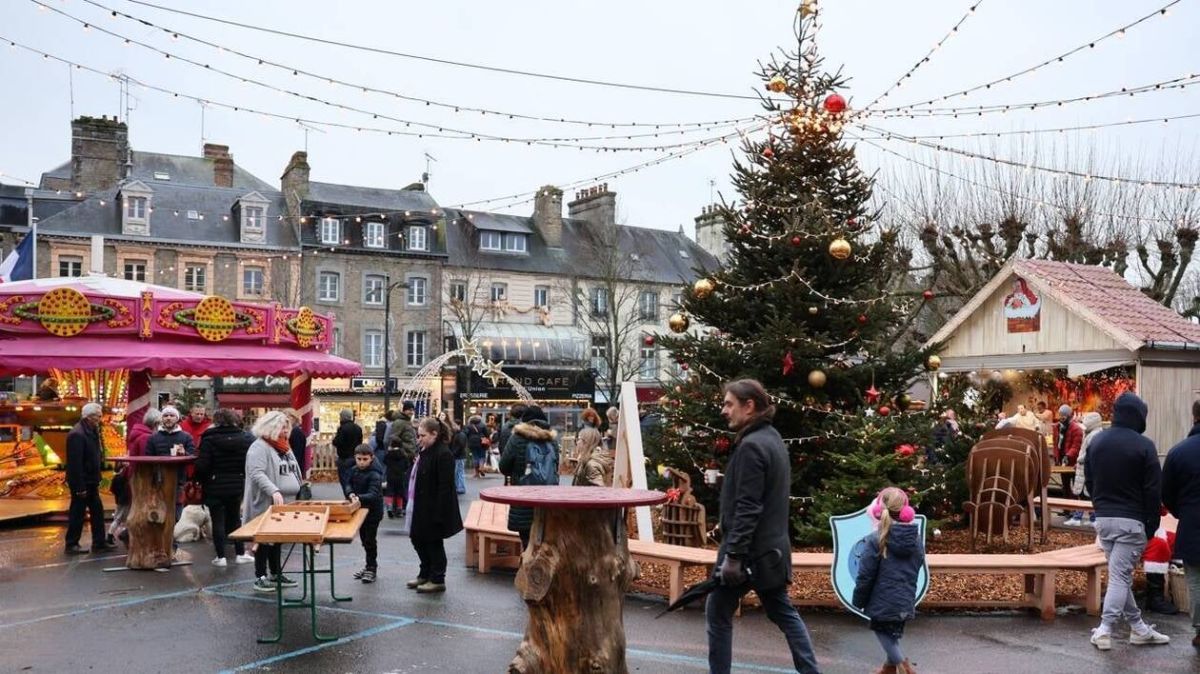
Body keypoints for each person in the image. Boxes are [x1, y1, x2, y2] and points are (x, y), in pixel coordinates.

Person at [706, 379, 821, 674]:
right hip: (771, 552)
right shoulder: (772, 439)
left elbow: (749, 507)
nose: (723, 410)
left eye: (728, 404)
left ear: (749, 406)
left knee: (718, 614)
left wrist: (733, 556)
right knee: (783, 612)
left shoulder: (752, 447)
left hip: (748, 554)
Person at [1083, 391, 1170, 650]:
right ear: (1139, 416)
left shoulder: (1097, 442)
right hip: (1132, 521)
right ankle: (1105, 629)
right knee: (1121, 577)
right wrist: (1151, 525)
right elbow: (1154, 490)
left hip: (1104, 519)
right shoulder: (1144, 445)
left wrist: (1099, 505)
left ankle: (1139, 628)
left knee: (1119, 575)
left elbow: (1089, 480)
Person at [853, 486, 924, 674]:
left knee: (881, 630)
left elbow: (865, 575)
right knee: (893, 632)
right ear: (906, 511)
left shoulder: (875, 539)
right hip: (905, 597)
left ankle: (904, 667)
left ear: (878, 511)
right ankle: (889, 668)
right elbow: (917, 565)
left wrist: (859, 599)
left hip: (882, 598)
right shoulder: (916, 540)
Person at [243, 410, 303, 593]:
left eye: (287, 427)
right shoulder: (259, 446)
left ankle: (276, 574)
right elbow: (256, 473)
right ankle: (260, 576)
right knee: (263, 539)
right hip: (265, 502)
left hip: (285, 504)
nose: (286, 431)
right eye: (282, 427)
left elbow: (293, 469)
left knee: (277, 539)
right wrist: (274, 490)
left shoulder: (284, 446)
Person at [406, 416, 463, 593]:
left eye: (422, 435)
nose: (419, 439)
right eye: (418, 435)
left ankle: (437, 578)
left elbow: (445, 487)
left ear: (434, 434)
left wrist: (439, 513)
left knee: (433, 543)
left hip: (433, 507)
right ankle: (425, 573)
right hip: (420, 505)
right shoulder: (426, 451)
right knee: (417, 539)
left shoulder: (443, 454)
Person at [194, 408, 255, 567]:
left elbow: (202, 466)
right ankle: (240, 553)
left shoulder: (209, 439)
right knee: (235, 519)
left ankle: (220, 557)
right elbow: (249, 463)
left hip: (214, 484)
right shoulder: (245, 438)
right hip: (237, 483)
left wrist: (199, 479)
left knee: (218, 520)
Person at [1161, 399, 1200, 640]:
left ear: (1194, 417)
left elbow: (1167, 494)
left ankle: (1199, 629)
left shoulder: (1178, 451)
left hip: (1193, 524)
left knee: (1195, 581)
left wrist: (1182, 512)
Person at [499, 405, 560, 549]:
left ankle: (527, 567)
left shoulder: (518, 438)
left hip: (523, 498)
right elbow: (556, 468)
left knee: (526, 542)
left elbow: (504, 467)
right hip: (548, 500)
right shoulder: (552, 440)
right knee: (545, 542)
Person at [64, 403, 115, 555]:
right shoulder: (77, 434)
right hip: (82, 481)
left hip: (91, 480)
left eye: (99, 416)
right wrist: (80, 487)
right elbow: (75, 463)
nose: (99, 419)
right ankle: (71, 543)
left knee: (97, 511)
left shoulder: (91, 431)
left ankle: (99, 542)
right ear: (88, 417)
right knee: (78, 513)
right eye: (97, 416)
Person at [347, 444, 384, 584]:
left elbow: (373, 494)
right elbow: (348, 483)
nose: (361, 462)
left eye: (365, 459)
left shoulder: (375, 474)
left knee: (369, 540)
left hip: (372, 512)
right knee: (364, 539)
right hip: (360, 511)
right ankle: (368, 565)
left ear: (371, 458)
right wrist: (350, 493)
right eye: (359, 459)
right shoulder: (354, 470)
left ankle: (371, 567)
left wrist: (358, 497)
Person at [1065, 411, 1103, 527]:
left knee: (1085, 494)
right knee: (1085, 494)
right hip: (1085, 467)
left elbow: (1088, 452)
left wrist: (1080, 460)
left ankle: (1080, 518)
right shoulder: (1092, 433)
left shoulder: (1093, 435)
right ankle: (1091, 518)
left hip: (1086, 467)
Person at [384, 402, 417, 518]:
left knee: (403, 484)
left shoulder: (407, 422)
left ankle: (399, 507)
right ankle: (397, 507)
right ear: (404, 410)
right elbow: (393, 437)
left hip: (408, 456)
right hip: (403, 457)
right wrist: (402, 450)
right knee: (401, 484)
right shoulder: (399, 422)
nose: (411, 412)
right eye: (409, 409)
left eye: (412, 409)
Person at [571, 417, 613, 487]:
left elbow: (600, 492)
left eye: (578, 439)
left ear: (586, 442)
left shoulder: (592, 465)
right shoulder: (586, 460)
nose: (577, 442)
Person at [1054, 404, 1084, 498]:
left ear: (1069, 416)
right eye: (1060, 415)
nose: (1061, 418)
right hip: (1062, 460)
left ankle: (1075, 508)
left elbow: (1076, 446)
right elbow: (1056, 444)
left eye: (1064, 416)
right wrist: (1057, 457)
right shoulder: (1057, 427)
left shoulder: (1077, 429)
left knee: (1076, 487)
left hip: (1073, 462)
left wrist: (1068, 456)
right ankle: (1067, 510)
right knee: (1065, 486)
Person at [332, 409, 363, 497]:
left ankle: (348, 496)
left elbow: (337, 442)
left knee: (345, 480)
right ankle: (355, 496)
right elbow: (360, 442)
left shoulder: (342, 428)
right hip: (355, 457)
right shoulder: (358, 428)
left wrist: (334, 439)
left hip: (344, 458)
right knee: (354, 479)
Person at [441, 411, 467, 495]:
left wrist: (453, 453)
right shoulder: (458, 434)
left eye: (455, 425)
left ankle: (460, 487)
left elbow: (460, 446)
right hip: (458, 456)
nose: (453, 427)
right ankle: (459, 487)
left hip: (458, 456)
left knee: (458, 472)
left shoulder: (460, 435)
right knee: (458, 472)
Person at [570, 408, 603, 473]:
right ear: (586, 417)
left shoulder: (596, 429)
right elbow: (577, 441)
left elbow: (600, 442)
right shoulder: (581, 428)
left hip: (594, 453)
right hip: (584, 452)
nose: (591, 418)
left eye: (593, 416)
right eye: (590, 416)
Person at [284, 409, 309, 478]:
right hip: (294, 467)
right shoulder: (293, 431)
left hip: (294, 469)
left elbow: (297, 453)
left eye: (287, 418)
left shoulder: (296, 432)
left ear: (293, 418)